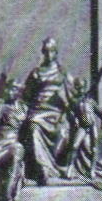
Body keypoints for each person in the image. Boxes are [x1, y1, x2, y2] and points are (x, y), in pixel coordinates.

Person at [20, 38, 75, 184]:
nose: (49, 55)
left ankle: (55, 168)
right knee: (33, 128)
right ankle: (43, 168)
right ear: (43, 53)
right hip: (38, 111)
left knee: (63, 132)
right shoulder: (36, 73)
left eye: (52, 52)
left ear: (56, 53)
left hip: (56, 112)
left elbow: (73, 94)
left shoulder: (62, 73)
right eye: (46, 52)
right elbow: (27, 95)